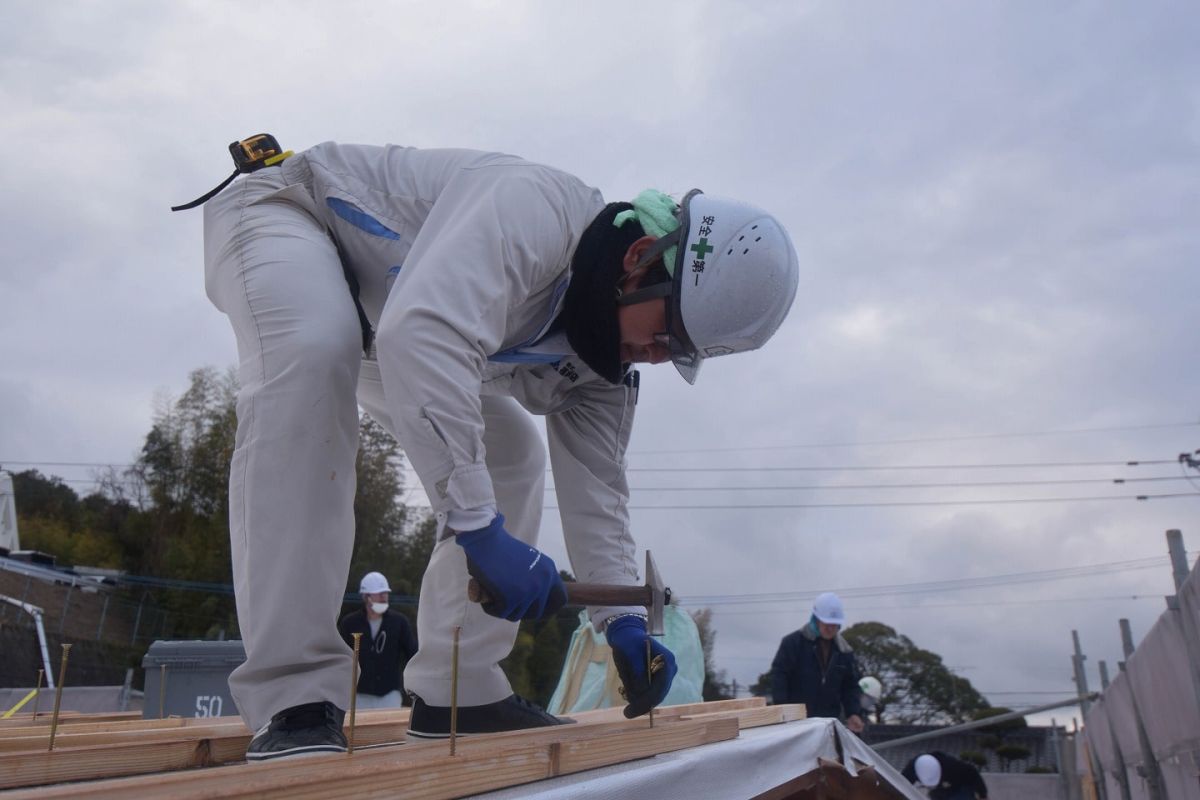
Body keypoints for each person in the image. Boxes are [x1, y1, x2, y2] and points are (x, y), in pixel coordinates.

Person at [195, 138, 799, 759]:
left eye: (676, 354)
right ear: (641, 259)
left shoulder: (604, 365)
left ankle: (459, 689)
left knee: (512, 453)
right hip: (289, 212)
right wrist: (478, 527)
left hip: (387, 320)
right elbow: (424, 333)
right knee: (314, 354)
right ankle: (293, 696)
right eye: (665, 333)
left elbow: (599, 489)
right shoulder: (534, 211)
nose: (656, 356)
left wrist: (620, 620)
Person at [768, 592, 865, 732]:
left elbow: (850, 686)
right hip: (795, 724)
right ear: (816, 618)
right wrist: (782, 712)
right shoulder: (793, 644)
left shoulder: (844, 651)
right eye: (826, 623)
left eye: (835, 624)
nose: (831, 628)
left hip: (828, 725)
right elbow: (779, 677)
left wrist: (853, 713)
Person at [337, 571, 418, 709]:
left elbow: (413, 654)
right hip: (358, 695)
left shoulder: (399, 622)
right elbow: (341, 657)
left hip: (389, 695)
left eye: (385, 593)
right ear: (366, 596)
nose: (384, 597)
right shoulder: (350, 623)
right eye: (379, 593)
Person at [902, 752, 989, 800]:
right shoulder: (911, 769)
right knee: (936, 794)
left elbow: (973, 773)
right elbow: (901, 784)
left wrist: (983, 795)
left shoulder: (951, 766)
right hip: (939, 790)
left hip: (961, 786)